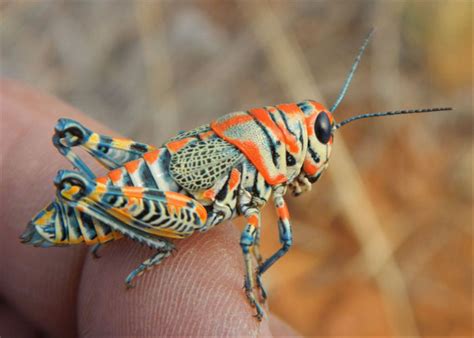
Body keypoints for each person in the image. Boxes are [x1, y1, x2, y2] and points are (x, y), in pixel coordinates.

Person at [0, 80, 298, 337]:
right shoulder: (256, 157)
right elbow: (251, 238)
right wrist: (251, 285)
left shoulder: (252, 145)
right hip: (160, 202)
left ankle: (95, 199)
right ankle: (103, 208)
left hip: (150, 190)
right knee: (197, 217)